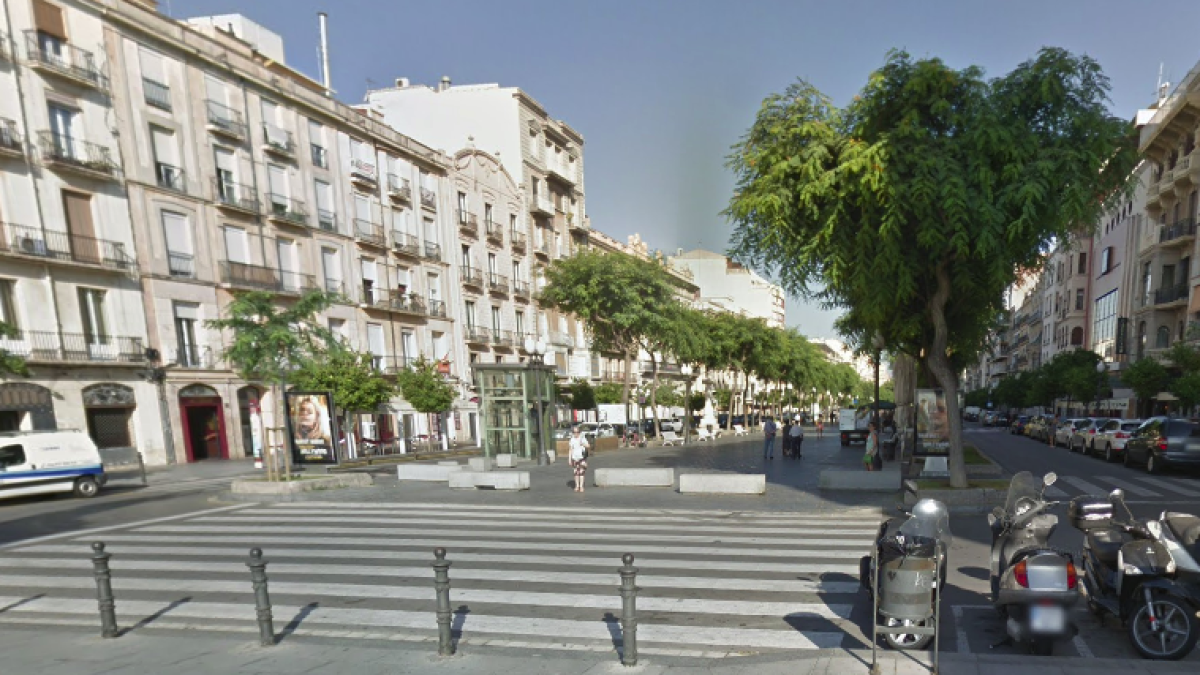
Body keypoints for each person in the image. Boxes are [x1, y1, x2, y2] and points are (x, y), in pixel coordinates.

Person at [569, 426, 590, 493]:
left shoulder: (582, 438)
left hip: (582, 458)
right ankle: (577, 486)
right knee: (576, 473)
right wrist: (569, 459)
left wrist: (583, 444)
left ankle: (581, 486)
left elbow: (588, 446)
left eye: (577, 432)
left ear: (579, 432)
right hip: (574, 458)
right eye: (574, 432)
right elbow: (570, 449)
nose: (576, 433)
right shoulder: (572, 440)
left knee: (581, 472)